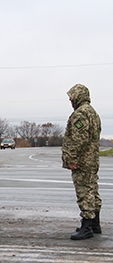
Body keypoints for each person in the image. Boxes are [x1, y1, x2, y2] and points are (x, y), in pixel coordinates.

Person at [62, 84, 102, 240]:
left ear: (78, 96)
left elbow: (79, 140)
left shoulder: (80, 114)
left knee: (84, 191)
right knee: (92, 189)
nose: (71, 100)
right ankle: (94, 223)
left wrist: (72, 158)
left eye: (72, 97)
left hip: (82, 161)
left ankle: (86, 227)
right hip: (92, 159)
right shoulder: (93, 113)